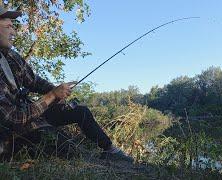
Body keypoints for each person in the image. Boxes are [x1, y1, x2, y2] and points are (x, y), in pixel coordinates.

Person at [0, 6, 133, 162]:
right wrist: (51, 96)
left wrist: (57, 91)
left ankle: (111, 151)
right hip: (10, 135)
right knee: (68, 149)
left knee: (81, 112)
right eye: (8, 27)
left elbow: (33, 81)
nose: (14, 32)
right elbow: (15, 118)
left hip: (26, 117)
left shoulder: (9, 55)